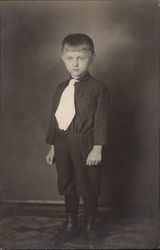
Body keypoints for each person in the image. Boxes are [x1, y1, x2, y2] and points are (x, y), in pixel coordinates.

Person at [45, 33, 109, 241]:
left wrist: (97, 147)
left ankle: (91, 224)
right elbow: (56, 118)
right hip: (62, 143)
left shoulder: (98, 89)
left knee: (88, 183)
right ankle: (71, 222)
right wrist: (53, 146)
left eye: (81, 58)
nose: (75, 64)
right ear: (63, 58)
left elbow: (101, 120)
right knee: (67, 182)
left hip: (85, 145)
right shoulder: (60, 89)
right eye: (70, 58)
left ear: (92, 58)